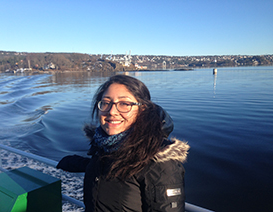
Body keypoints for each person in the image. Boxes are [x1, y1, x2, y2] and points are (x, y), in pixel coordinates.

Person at [57, 75, 190, 212]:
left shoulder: (159, 162)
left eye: (124, 104)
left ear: (142, 110)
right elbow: (111, 166)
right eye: (106, 103)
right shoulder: (103, 144)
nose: (112, 112)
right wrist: (81, 164)